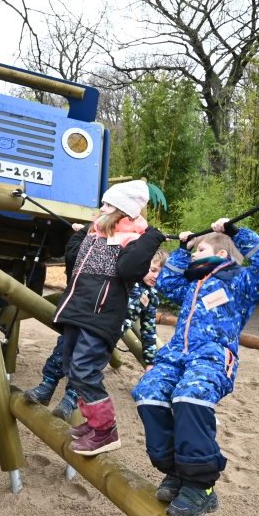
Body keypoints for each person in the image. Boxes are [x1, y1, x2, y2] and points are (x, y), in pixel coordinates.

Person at [131, 220, 259, 516]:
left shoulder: (239, 280)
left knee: (189, 397)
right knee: (148, 394)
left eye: (201, 249)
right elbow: (166, 283)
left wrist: (235, 233)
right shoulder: (190, 283)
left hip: (211, 356)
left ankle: (201, 485)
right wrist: (184, 251)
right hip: (176, 355)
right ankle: (175, 471)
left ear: (223, 253)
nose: (196, 254)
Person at [52, 180, 165, 456]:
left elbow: (130, 269)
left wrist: (151, 238)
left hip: (101, 315)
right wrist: (80, 234)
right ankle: (93, 423)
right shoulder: (98, 233)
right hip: (78, 309)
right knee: (70, 366)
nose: (101, 208)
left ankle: (105, 430)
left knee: (84, 369)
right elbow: (72, 260)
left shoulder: (132, 239)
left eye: (108, 205)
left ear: (123, 211)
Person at [26, 247, 167, 421]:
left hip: (106, 337)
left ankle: (69, 400)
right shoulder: (125, 280)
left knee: (86, 367)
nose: (155, 276)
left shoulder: (151, 297)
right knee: (63, 350)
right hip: (88, 323)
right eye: (153, 270)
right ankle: (46, 386)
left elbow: (148, 329)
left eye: (160, 273)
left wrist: (150, 360)